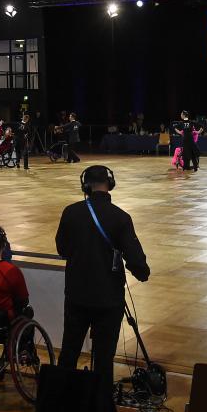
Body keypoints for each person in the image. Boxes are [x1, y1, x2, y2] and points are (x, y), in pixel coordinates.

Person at [54, 166, 149, 387]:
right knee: (104, 358)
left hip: (77, 294)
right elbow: (135, 259)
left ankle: (60, 403)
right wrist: (142, 273)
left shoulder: (70, 212)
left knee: (69, 351)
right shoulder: (121, 217)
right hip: (108, 297)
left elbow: (62, 249)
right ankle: (100, 405)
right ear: (110, 185)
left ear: (85, 186)